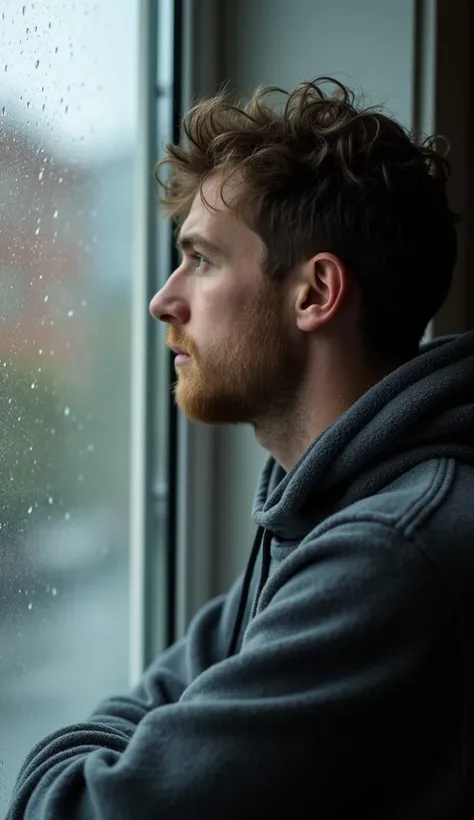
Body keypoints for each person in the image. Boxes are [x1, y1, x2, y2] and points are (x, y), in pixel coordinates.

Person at [7, 77, 474, 819]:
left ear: (315, 293)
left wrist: (69, 762)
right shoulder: (318, 506)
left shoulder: (392, 550)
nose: (165, 299)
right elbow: (161, 704)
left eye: (202, 259)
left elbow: (78, 806)